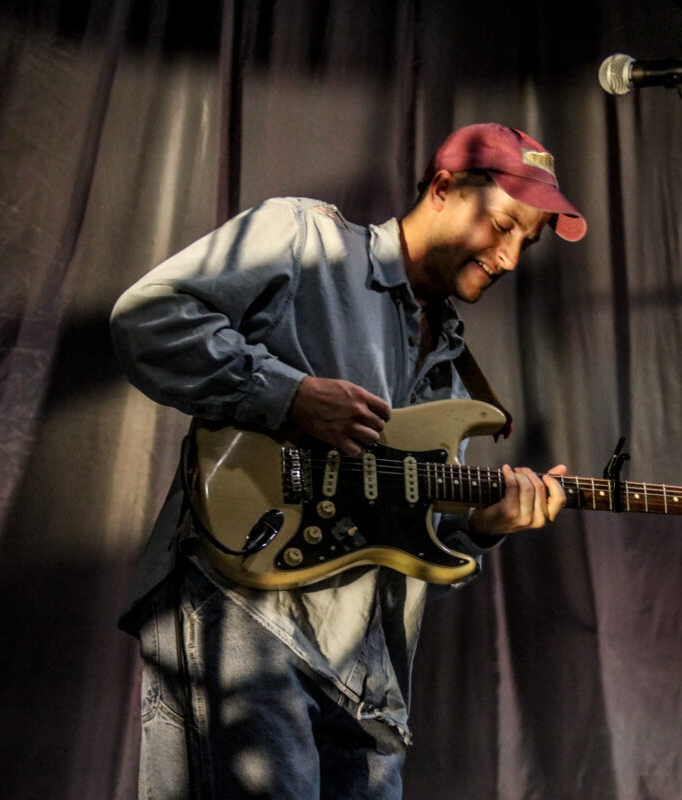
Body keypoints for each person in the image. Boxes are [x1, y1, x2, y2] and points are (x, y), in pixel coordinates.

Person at [110, 122, 587, 798]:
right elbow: (149, 320)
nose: (510, 258)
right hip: (249, 617)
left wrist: (484, 529)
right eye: (503, 226)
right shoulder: (305, 239)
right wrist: (290, 395)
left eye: (526, 243)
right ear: (445, 188)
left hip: (369, 685)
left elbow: (412, 542)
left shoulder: (455, 380)